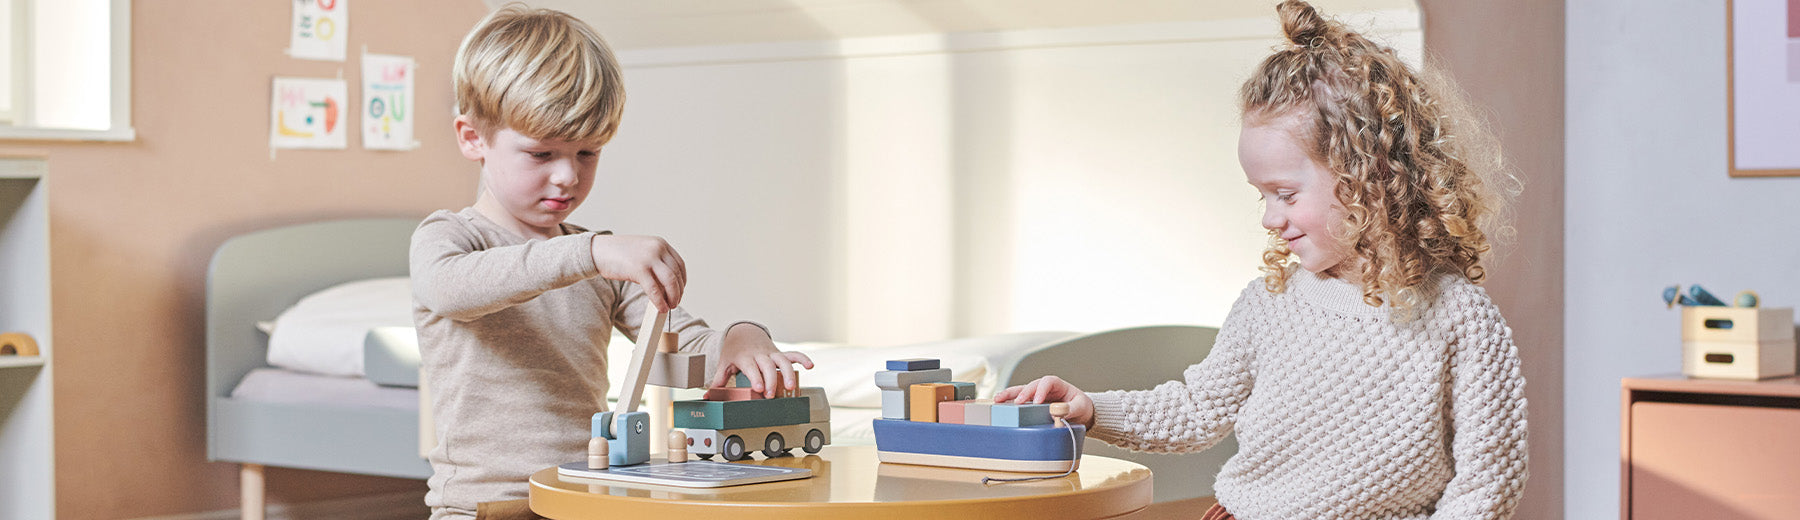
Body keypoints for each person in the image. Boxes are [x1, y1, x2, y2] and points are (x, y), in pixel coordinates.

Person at [995, 1, 1527, 518]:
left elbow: (1487, 483)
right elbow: (1196, 410)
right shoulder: (1270, 303)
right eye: (1262, 196)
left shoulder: (1461, 320)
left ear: (1372, 175)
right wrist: (1092, 410)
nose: (1270, 219)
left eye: (1286, 194)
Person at [409, 5, 813, 519]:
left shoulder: (596, 266)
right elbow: (449, 289)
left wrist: (739, 337)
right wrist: (593, 250)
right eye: (541, 154)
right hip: (483, 508)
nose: (567, 177)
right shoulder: (450, 237)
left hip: (583, 497)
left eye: (587, 153)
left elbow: (676, 342)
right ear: (473, 138)